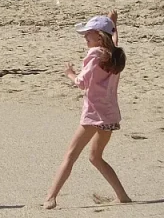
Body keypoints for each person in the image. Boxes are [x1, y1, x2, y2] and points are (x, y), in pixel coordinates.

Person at [44, 12, 129, 210]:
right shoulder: (114, 53)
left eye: (88, 34)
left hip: (93, 115)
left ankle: (51, 197)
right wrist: (113, 24)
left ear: (99, 36)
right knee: (95, 157)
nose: (85, 37)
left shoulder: (95, 54)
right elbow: (114, 40)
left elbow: (81, 83)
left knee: (70, 155)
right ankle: (122, 195)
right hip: (110, 114)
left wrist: (70, 74)